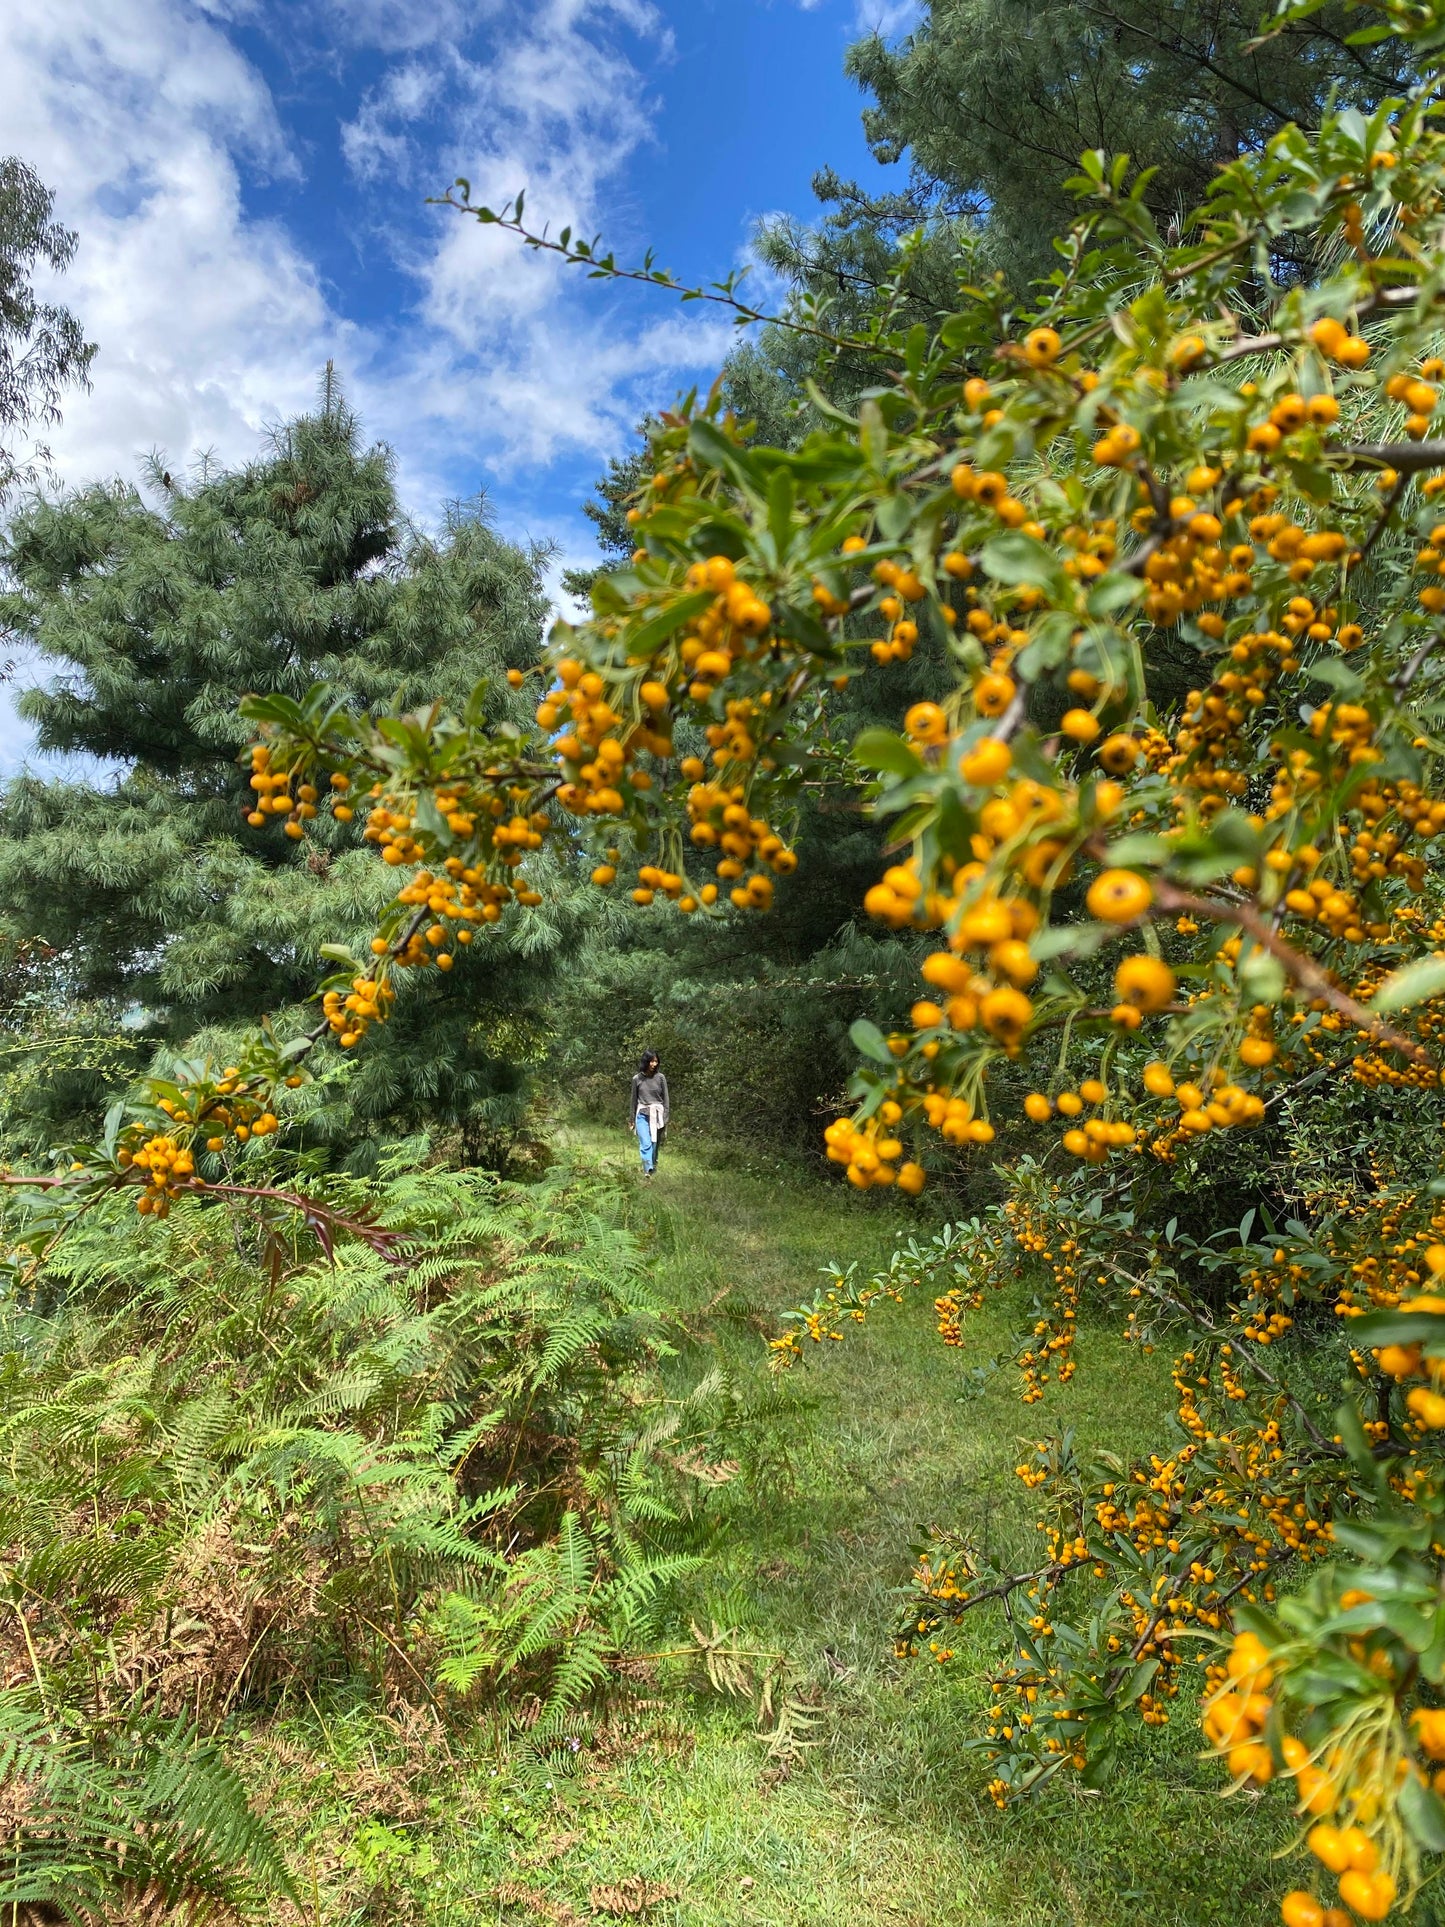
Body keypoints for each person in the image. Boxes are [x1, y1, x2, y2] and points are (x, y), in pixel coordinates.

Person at [630, 1050, 669, 1177]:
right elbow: (633, 1100)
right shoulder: (637, 1079)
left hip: (657, 1115)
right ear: (646, 1061)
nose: (654, 1064)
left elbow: (666, 1099)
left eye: (656, 1061)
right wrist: (631, 1119)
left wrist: (665, 1117)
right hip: (642, 1114)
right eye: (652, 1061)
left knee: (654, 1143)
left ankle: (653, 1165)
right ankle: (648, 1169)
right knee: (645, 1143)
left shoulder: (661, 1078)